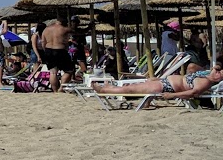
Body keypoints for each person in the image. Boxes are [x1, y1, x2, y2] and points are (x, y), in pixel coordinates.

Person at [92, 62, 222, 100]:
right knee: (134, 85)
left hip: (167, 88)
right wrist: (214, 69)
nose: (218, 71)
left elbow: (193, 93)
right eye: (218, 70)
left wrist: (172, 95)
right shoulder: (206, 75)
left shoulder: (205, 82)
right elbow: (192, 66)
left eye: (220, 72)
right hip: (164, 81)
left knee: (130, 89)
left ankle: (103, 90)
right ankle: (107, 89)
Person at [39, 19, 75, 92]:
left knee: (53, 72)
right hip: (60, 50)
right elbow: (77, 31)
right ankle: (61, 88)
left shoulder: (46, 29)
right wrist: (89, 27)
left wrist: (45, 51)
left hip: (48, 50)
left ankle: (55, 91)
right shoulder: (64, 29)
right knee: (69, 70)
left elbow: (43, 42)